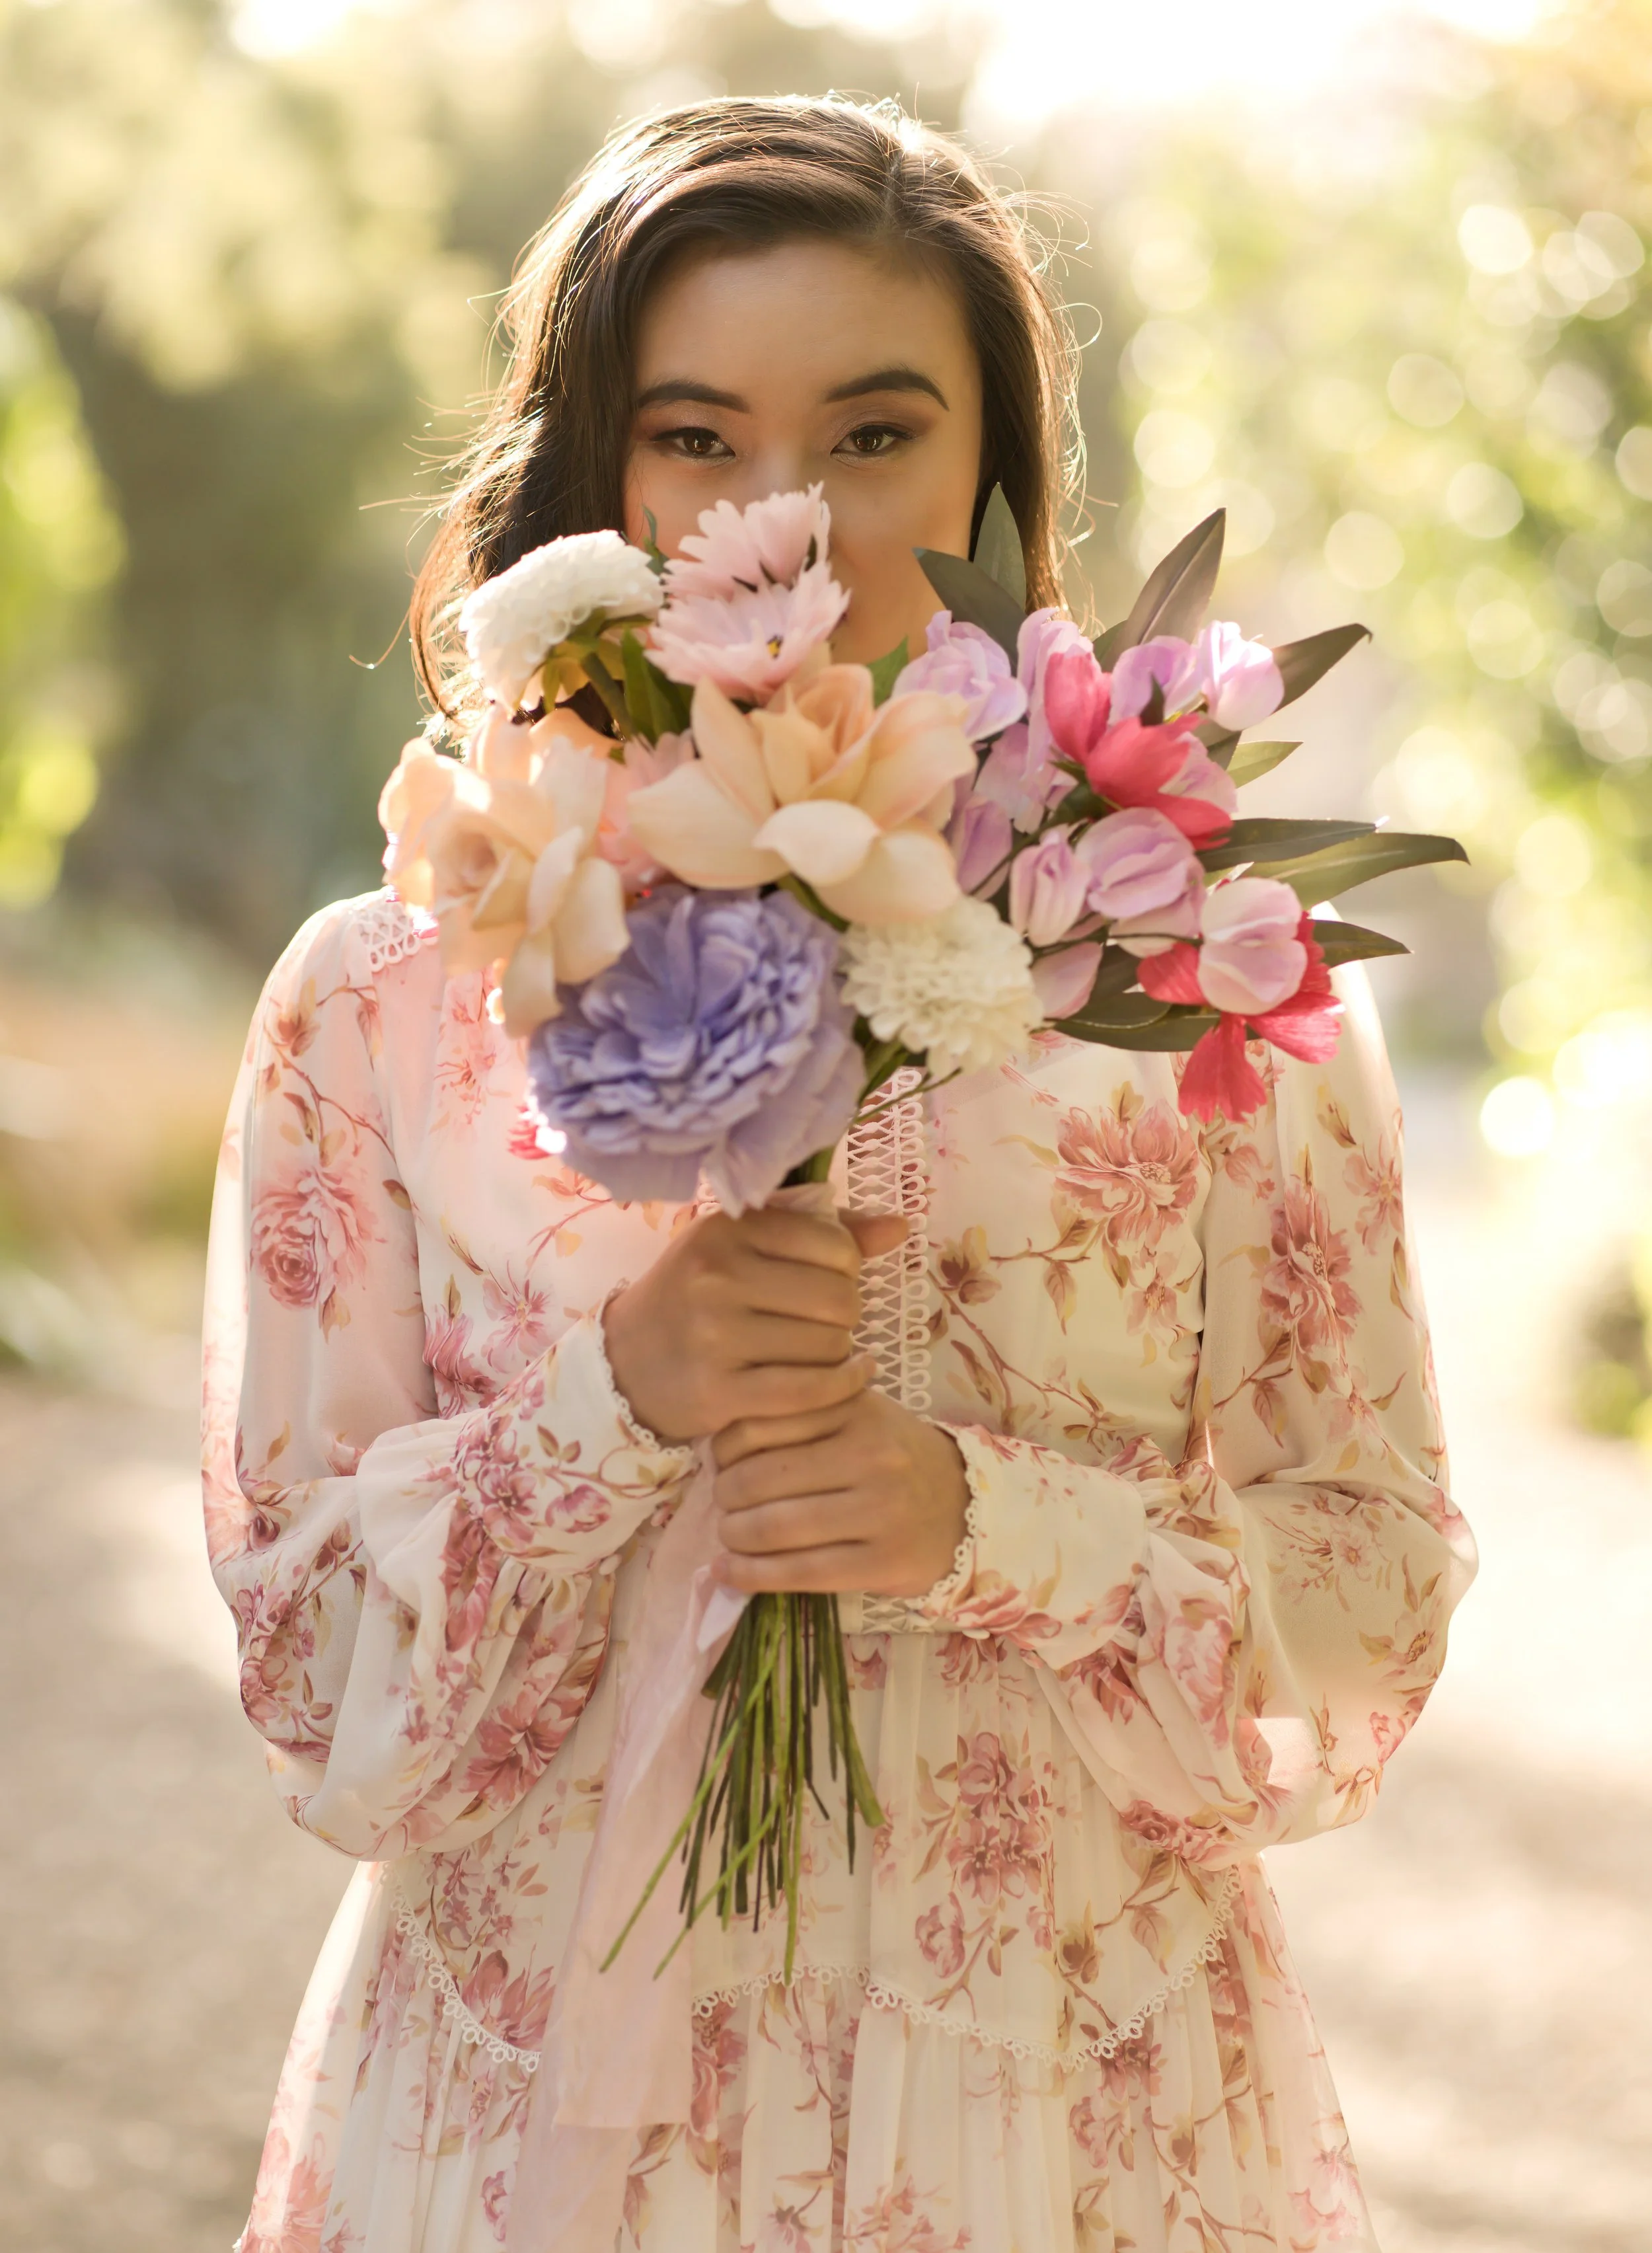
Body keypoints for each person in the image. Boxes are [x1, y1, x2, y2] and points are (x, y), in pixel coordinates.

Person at [202, 95, 1477, 2253]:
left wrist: (984, 1520)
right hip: (535, 2138)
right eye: (694, 437)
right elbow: (313, 1678)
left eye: (874, 434)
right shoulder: (391, 996)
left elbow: (1369, 1597)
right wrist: (624, 1398)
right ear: (594, 478)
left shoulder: (1199, 988)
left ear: (994, 478)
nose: (778, 517)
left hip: (1071, 2119)